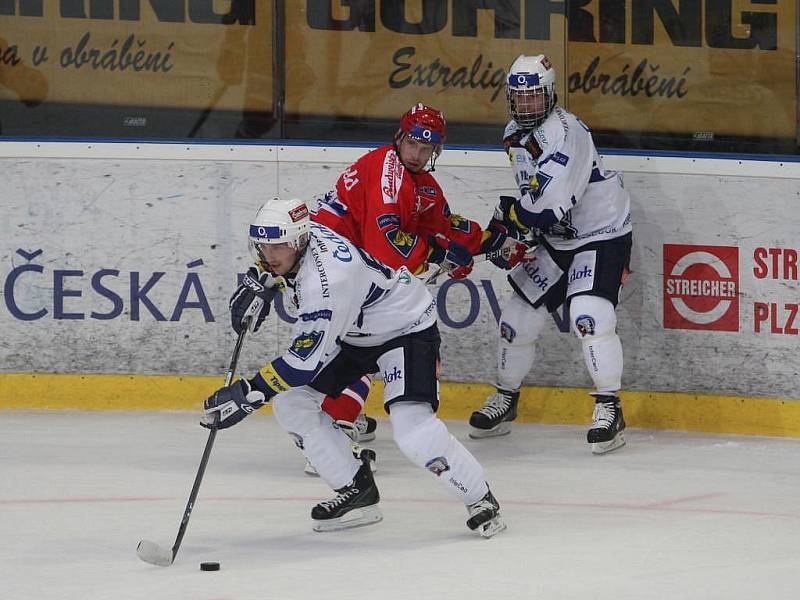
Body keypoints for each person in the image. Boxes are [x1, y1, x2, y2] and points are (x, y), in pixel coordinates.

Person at [228, 102, 528, 475]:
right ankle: (335, 426)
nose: (417, 154)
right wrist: (438, 254)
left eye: (427, 148)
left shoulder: (420, 184)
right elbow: (384, 247)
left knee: (362, 343)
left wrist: (487, 242)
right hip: (327, 272)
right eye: (413, 144)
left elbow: (443, 226)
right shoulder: (388, 175)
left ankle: (337, 417)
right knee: (355, 345)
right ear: (400, 138)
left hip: (353, 270)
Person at [202, 197, 507, 537]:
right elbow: (274, 264)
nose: (269, 254)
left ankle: (480, 498)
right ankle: (356, 488)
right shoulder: (300, 240)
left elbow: (302, 364)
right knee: (292, 404)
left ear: (299, 241)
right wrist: (262, 280)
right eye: (263, 245)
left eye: (277, 246)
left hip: (404, 328)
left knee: (413, 430)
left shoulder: (327, 282)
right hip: (354, 330)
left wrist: (249, 393)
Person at [468, 54, 632, 455]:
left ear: (550, 95)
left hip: (600, 233)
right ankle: (507, 398)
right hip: (558, 239)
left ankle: (610, 407)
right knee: (516, 320)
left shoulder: (567, 133)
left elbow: (547, 205)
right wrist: (512, 232)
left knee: (589, 316)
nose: (526, 106)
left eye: (534, 97)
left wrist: (510, 225)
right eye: (519, 98)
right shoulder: (513, 134)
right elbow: (533, 197)